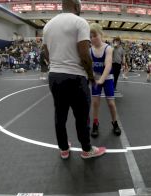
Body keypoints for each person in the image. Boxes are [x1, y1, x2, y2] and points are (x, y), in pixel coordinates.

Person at [43, 0, 106, 159]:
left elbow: (46, 52)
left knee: (60, 114)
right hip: (76, 77)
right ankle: (86, 150)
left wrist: (57, 65)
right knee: (82, 116)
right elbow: (84, 53)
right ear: (77, 6)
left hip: (55, 76)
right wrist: (91, 76)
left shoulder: (48, 25)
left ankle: (64, 149)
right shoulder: (80, 22)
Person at [89, 23, 121, 138]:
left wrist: (101, 80)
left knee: (111, 104)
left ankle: (114, 122)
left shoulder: (108, 49)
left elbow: (108, 66)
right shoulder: (90, 50)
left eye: (95, 35)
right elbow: (89, 66)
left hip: (107, 78)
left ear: (101, 35)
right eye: (90, 36)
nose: (92, 38)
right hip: (96, 78)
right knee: (96, 103)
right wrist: (91, 76)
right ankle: (95, 123)